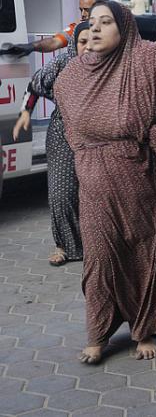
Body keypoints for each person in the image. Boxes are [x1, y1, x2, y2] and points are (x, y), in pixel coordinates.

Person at [54, 1, 156, 363]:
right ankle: (98, 332)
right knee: (99, 256)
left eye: (104, 22)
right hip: (93, 177)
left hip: (142, 176)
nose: (94, 30)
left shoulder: (148, 59)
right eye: (91, 23)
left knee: (143, 253)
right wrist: (81, 144)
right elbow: (63, 103)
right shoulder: (75, 72)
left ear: (124, 27)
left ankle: (145, 330)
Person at [12, 23, 90, 267]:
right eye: (82, 42)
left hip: (97, 137)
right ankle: (65, 245)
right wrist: (26, 112)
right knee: (62, 191)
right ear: (75, 44)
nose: (88, 47)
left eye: (92, 41)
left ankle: (98, 244)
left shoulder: (113, 65)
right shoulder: (63, 63)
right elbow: (36, 84)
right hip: (62, 132)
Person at [1, 0, 104, 57]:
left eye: (87, 10)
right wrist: (32, 46)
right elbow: (54, 42)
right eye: (81, 10)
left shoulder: (112, 29)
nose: (83, 14)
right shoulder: (76, 28)